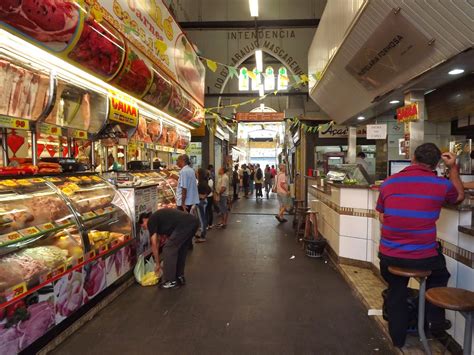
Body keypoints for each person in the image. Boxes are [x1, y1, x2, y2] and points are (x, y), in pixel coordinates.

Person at [376, 143, 464, 349]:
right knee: (439, 275)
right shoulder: (440, 184)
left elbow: (381, 215)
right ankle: (435, 323)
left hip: (389, 255)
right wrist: (453, 168)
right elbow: (459, 196)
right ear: (436, 164)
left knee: (396, 290)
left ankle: (398, 341)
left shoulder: (389, 182)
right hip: (423, 256)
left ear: (413, 158)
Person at [141, 208, 199, 289]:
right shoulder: (159, 219)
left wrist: (157, 264)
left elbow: (154, 244)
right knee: (180, 249)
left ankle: (170, 281)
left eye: (142, 225)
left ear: (144, 220)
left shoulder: (151, 221)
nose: (144, 228)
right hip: (193, 222)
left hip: (185, 224)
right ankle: (179, 276)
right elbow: (158, 241)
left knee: (168, 249)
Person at [196, 168, 211, 243]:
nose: (196, 173)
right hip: (202, 201)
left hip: (201, 202)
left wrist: (203, 196)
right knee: (202, 219)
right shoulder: (202, 181)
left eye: (197, 172)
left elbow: (209, 189)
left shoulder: (202, 182)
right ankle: (202, 233)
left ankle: (203, 236)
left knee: (202, 220)